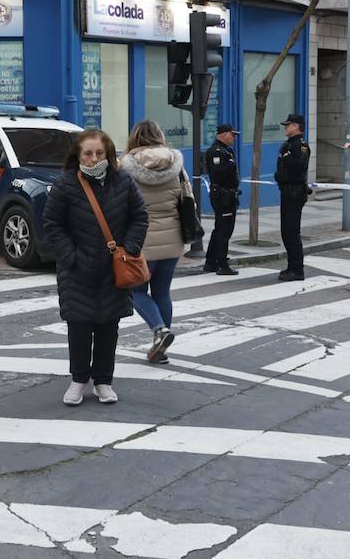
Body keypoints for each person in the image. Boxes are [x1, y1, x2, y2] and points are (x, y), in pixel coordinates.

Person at [42, 129, 148, 406]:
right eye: (88, 153)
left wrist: (130, 248)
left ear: (109, 154)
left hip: (114, 269)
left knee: (108, 328)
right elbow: (52, 225)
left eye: (99, 153)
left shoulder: (123, 181)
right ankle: (78, 380)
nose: (93, 159)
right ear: (78, 154)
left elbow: (139, 217)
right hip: (77, 270)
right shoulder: (65, 185)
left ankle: (103, 381)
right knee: (78, 327)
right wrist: (71, 256)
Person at [120, 120, 189, 363]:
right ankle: (161, 349)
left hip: (140, 240)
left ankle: (159, 329)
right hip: (172, 238)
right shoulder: (176, 163)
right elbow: (187, 198)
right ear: (160, 135)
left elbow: (120, 204)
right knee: (162, 292)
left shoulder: (125, 166)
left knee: (135, 290)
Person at [274, 113, 311, 281]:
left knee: (291, 232)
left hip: (295, 192)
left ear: (296, 126)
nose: (285, 128)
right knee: (286, 232)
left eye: (288, 125)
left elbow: (299, 167)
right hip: (287, 191)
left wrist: (284, 169)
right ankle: (292, 267)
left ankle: (297, 270)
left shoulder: (300, 146)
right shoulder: (289, 145)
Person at [204, 124, 240, 276]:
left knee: (220, 228)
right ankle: (221, 263)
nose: (234, 138)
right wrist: (231, 165)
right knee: (224, 230)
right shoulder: (216, 151)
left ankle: (211, 262)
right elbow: (218, 173)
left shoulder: (227, 150)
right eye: (232, 135)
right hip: (222, 195)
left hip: (228, 194)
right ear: (223, 134)